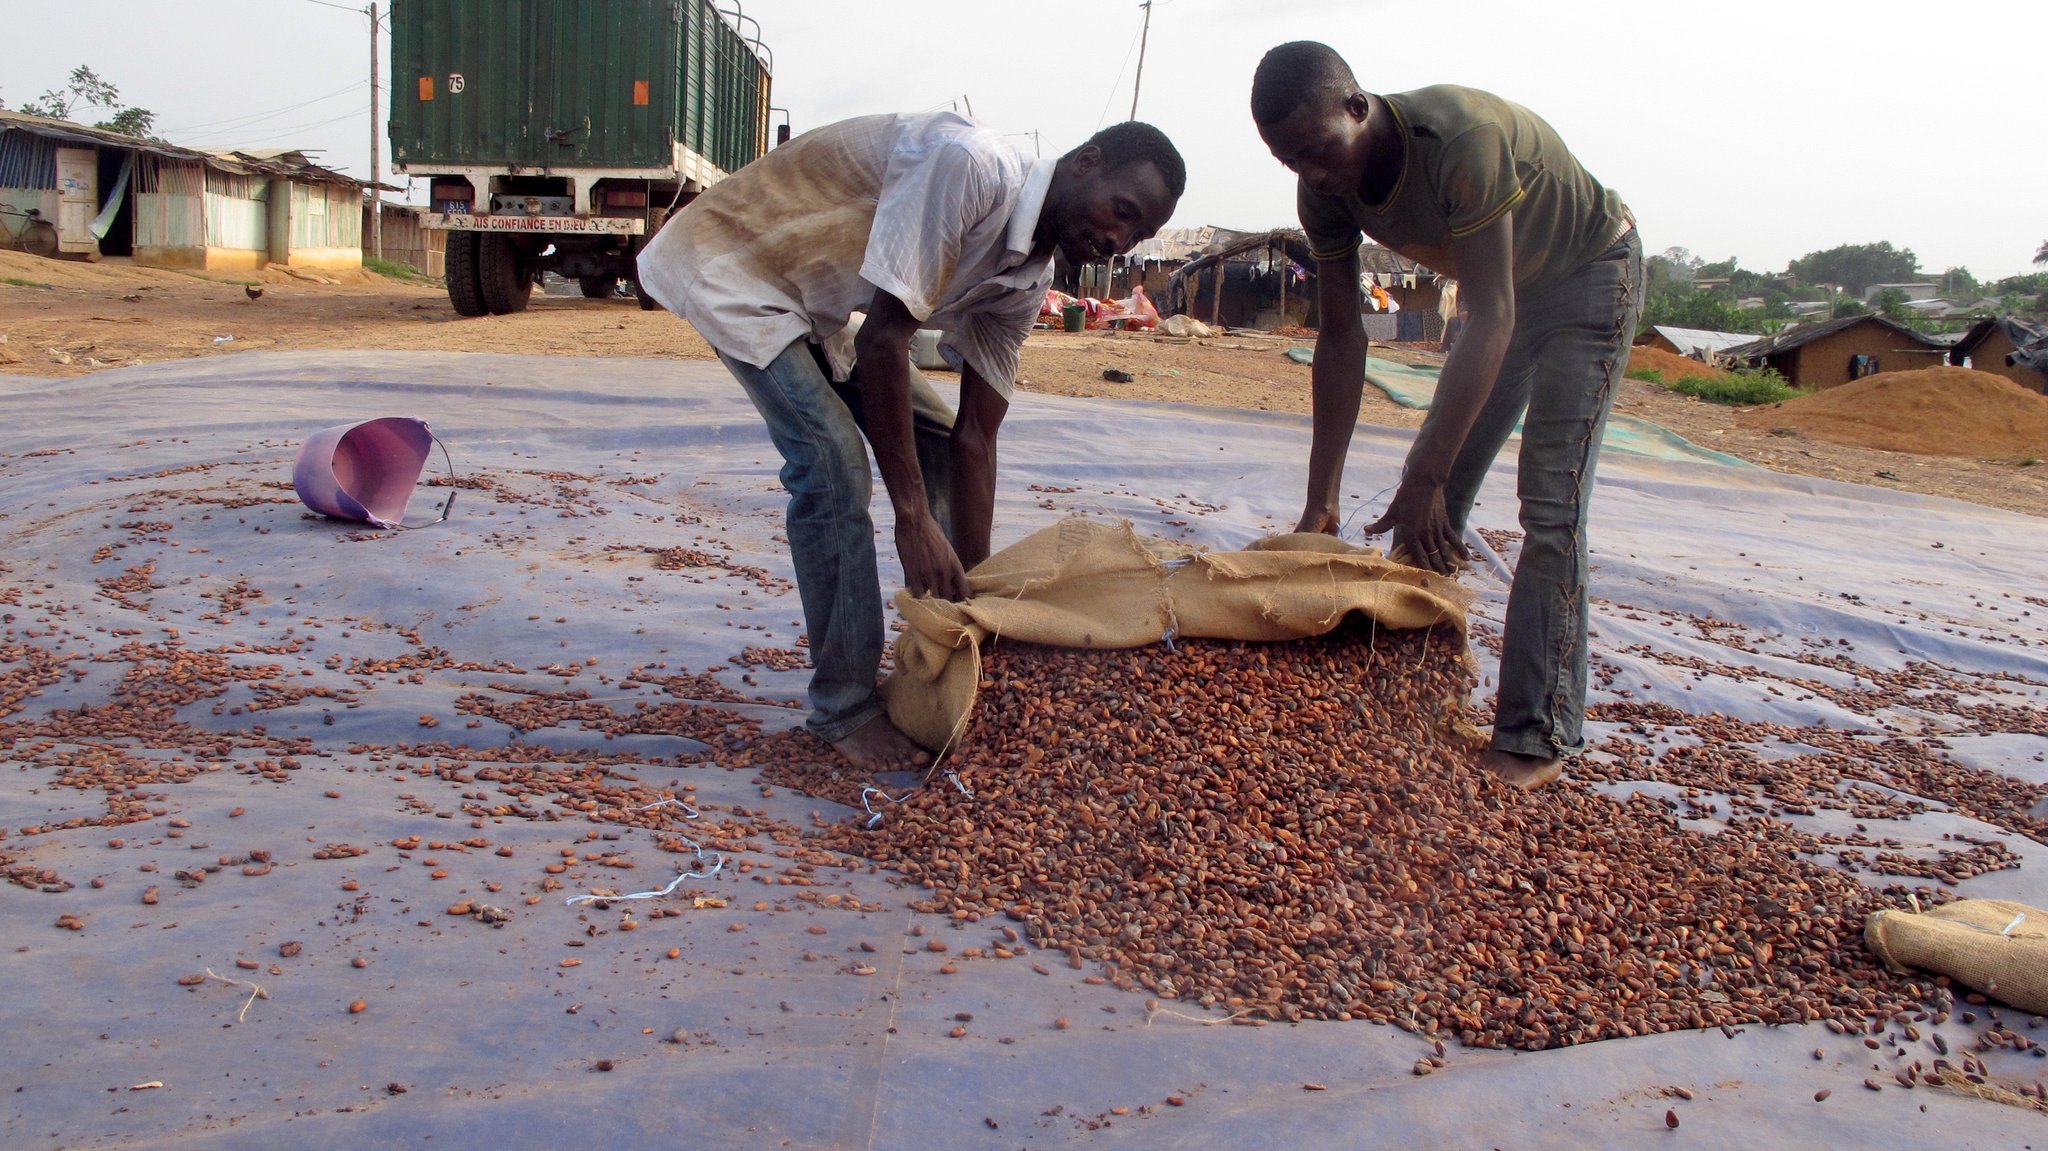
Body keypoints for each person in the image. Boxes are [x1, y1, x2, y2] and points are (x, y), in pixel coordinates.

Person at [637, 114, 1183, 773]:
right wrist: (913, 518)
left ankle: (948, 639)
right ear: (1087, 163)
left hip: (817, 297)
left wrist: (982, 604)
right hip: (739, 265)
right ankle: (842, 706)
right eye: (1122, 211)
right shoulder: (971, 169)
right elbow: (884, 340)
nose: (1117, 239)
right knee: (833, 464)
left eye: (1138, 234)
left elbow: (974, 438)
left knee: (933, 439)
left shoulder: (1028, 281)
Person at [1250, 42, 1641, 790]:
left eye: (1319, 150)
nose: (1315, 173)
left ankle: (1538, 731)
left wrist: (1422, 467)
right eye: (1291, 161)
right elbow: (1339, 336)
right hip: (1508, 300)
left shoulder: (1460, 140)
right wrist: (1321, 501)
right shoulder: (1322, 191)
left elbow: (1489, 316)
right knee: (1434, 504)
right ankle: (1415, 699)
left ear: (1357, 108)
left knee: (1550, 502)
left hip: (1589, 277)